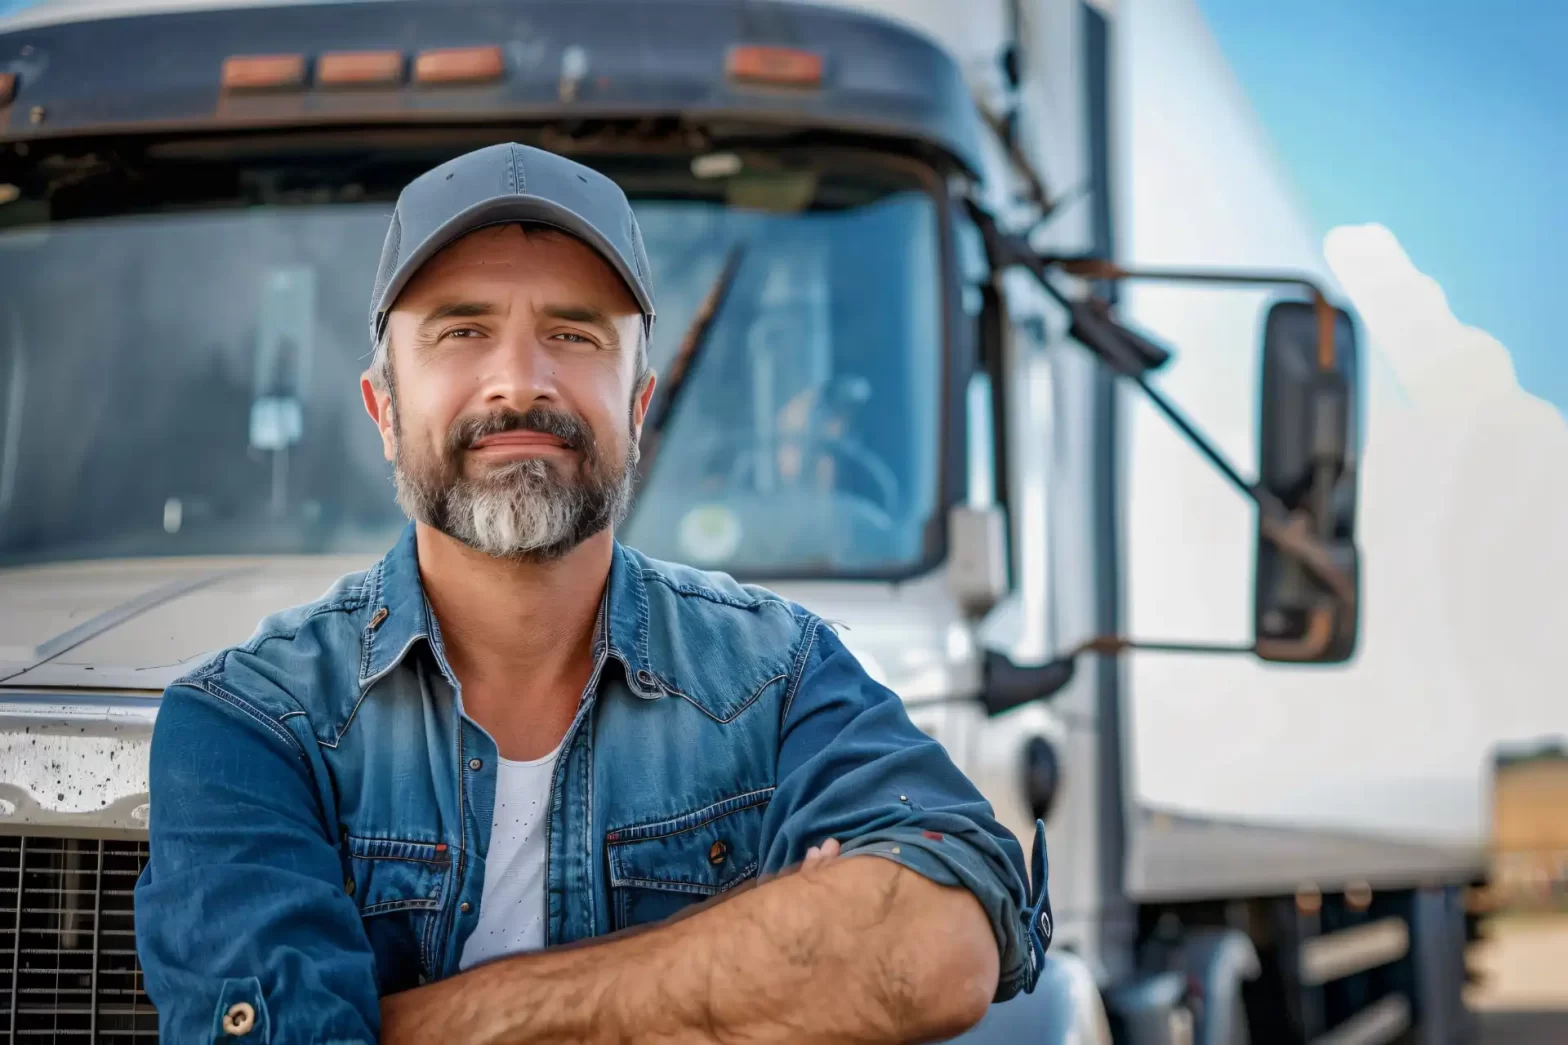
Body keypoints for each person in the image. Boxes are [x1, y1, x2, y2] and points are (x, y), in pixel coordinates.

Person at [134, 142, 1050, 1045]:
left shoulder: (778, 677)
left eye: (574, 334)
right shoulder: (248, 724)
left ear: (638, 408)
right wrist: (769, 962)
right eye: (461, 331)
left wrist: (449, 1019)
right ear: (384, 409)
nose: (520, 382)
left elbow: (937, 943)